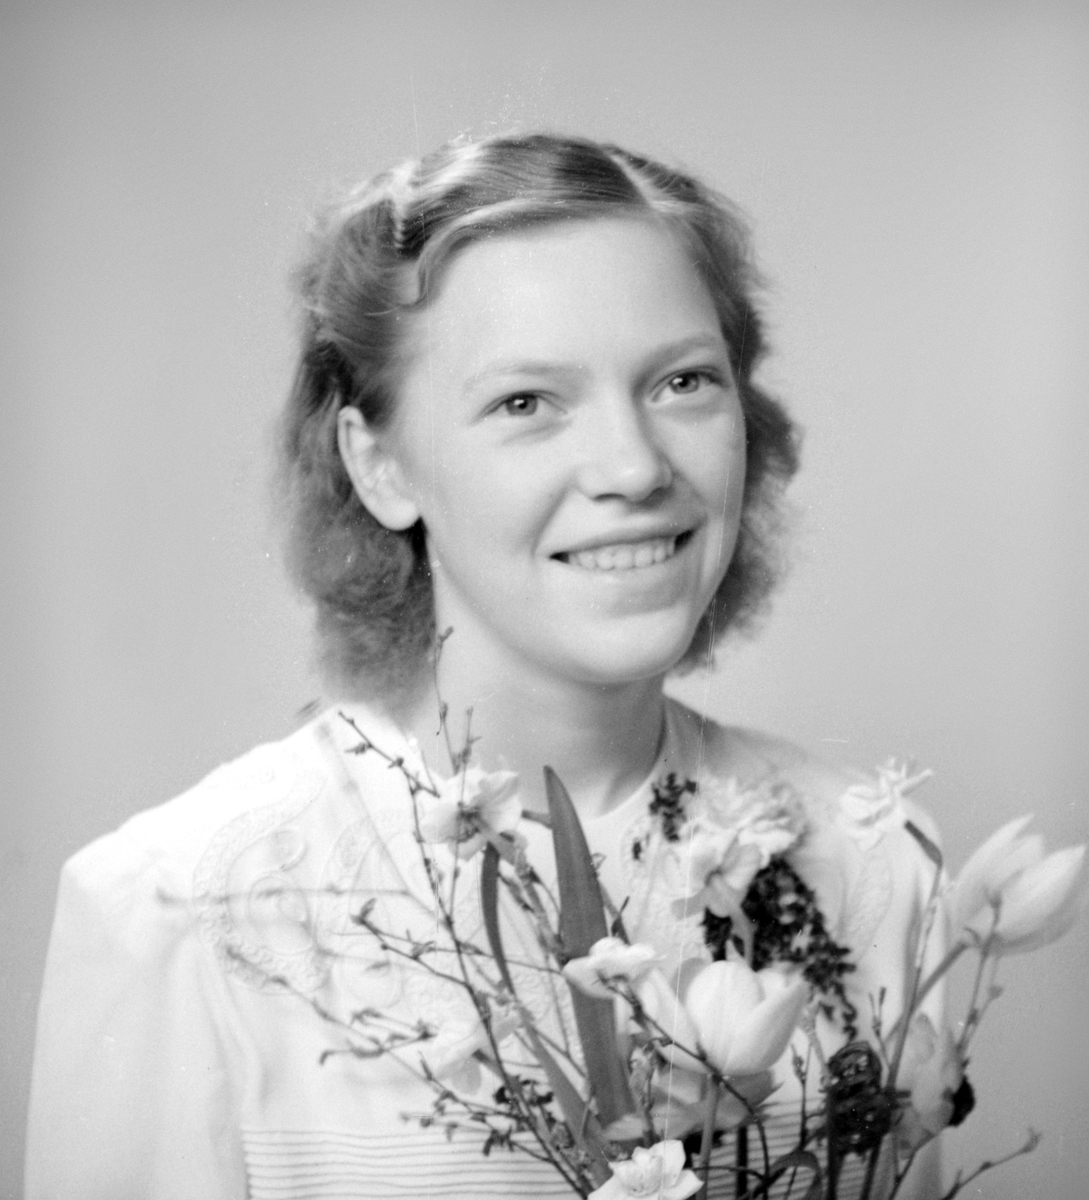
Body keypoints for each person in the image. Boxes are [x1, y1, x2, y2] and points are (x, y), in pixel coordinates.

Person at [26, 133, 947, 1199]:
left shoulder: (877, 862)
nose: (633, 467)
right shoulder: (182, 910)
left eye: (683, 381)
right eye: (525, 403)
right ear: (380, 466)